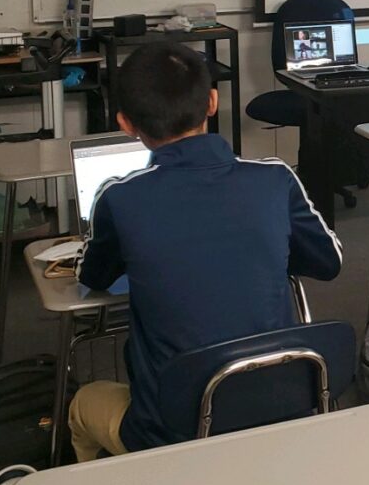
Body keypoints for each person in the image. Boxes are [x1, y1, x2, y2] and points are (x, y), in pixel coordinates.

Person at [69, 43, 341, 460]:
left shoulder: (119, 198)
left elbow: (92, 277)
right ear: (212, 102)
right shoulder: (275, 178)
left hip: (172, 430)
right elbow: (329, 262)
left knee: (83, 404)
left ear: (125, 124)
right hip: (284, 406)